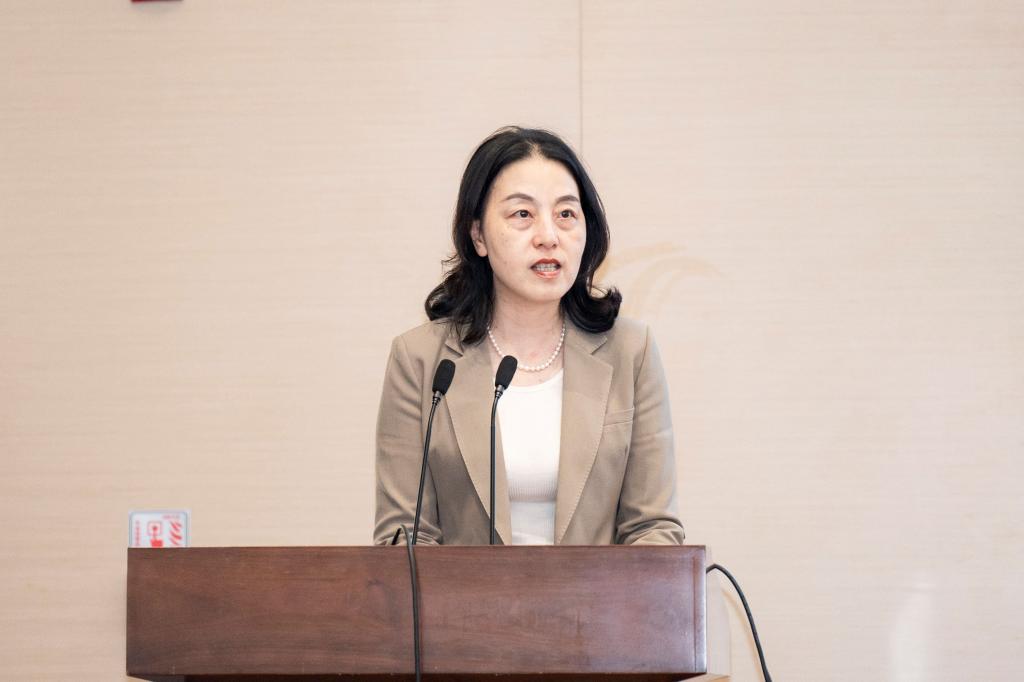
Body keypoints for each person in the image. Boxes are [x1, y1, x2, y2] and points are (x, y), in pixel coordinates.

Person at [374, 126, 684, 546]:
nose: (548, 237)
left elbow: (653, 530)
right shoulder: (420, 359)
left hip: (600, 593)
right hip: (458, 593)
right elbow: (405, 538)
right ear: (478, 235)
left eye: (566, 214)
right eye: (522, 214)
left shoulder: (631, 352)